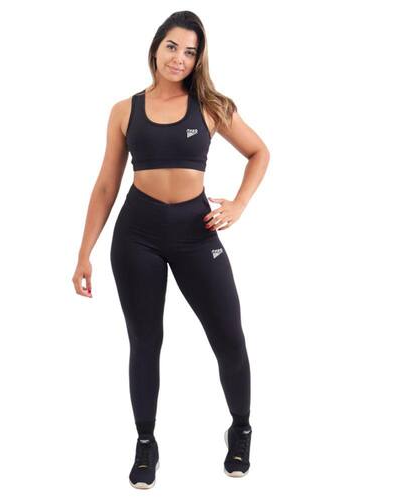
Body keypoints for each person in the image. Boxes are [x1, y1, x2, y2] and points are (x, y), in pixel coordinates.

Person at [72, 10, 270, 489]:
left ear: (199, 60)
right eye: (172, 47)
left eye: (190, 52)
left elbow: (259, 152)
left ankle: (241, 428)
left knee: (229, 336)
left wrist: (240, 204)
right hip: (136, 235)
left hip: (196, 234)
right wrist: (84, 253)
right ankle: (146, 442)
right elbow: (106, 184)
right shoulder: (125, 110)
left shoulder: (211, 106)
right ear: (156, 47)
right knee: (145, 342)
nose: (180, 58)